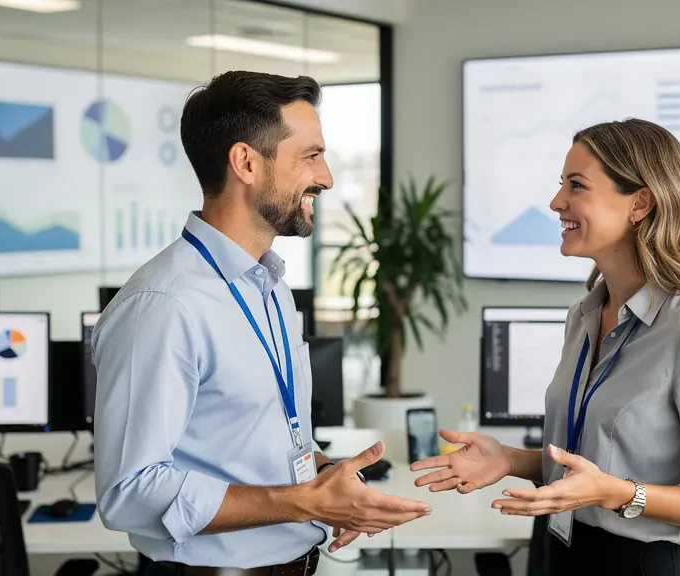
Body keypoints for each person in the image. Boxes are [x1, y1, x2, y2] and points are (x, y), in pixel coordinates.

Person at [91, 70, 431, 576]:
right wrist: (304, 501)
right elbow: (129, 493)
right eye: (311, 156)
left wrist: (327, 478)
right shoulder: (163, 306)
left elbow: (263, 443)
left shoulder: (268, 286)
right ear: (246, 163)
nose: (327, 177)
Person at [411, 118, 680, 575]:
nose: (557, 203)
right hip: (563, 549)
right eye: (562, 185)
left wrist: (617, 494)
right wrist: (512, 460)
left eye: (576, 186)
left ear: (640, 202)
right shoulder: (585, 316)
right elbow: (593, 465)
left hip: (644, 563)